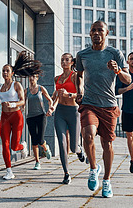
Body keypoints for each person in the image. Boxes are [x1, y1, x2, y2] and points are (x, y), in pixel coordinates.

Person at [75, 20, 131, 198]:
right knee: (88, 134)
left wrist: (118, 71)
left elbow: (128, 80)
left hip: (108, 105)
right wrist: (79, 91)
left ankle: (106, 180)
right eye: (93, 30)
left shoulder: (115, 53)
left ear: (107, 33)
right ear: (89, 33)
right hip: (89, 103)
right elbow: (79, 74)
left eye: (100, 30)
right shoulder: (82, 54)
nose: (96, 33)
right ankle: (93, 169)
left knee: (107, 144)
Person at [0, 51, 41, 180]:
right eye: (3, 71)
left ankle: (22, 146)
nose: (5, 73)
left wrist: (13, 105)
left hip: (16, 116)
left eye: (7, 71)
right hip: (4, 117)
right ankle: (9, 171)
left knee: (14, 146)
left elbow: (22, 101)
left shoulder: (16, 85)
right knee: (5, 144)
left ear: (12, 73)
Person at [47, 53, 85, 184]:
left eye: (66, 60)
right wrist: (52, 106)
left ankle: (79, 150)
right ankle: (66, 173)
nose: (63, 62)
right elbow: (56, 95)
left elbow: (81, 94)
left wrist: (69, 94)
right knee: (62, 144)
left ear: (72, 62)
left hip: (74, 112)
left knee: (73, 148)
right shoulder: (56, 78)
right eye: (62, 59)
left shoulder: (75, 76)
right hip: (60, 112)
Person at [25, 73, 53, 170]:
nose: (31, 78)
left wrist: (50, 108)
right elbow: (23, 103)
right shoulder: (27, 91)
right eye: (30, 77)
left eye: (33, 77)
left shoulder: (41, 89)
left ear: (37, 78)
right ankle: (37, 162)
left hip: (41, 116)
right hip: (30, 117)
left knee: (40, 140)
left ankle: (46, 148)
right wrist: (20, 110)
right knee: (34, 140)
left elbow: (50, 100)